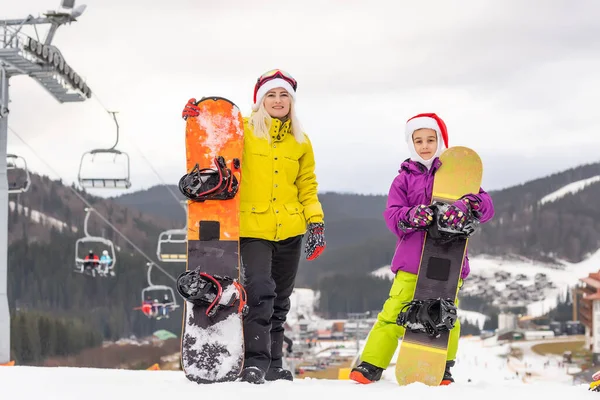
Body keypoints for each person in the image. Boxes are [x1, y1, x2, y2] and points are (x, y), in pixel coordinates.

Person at [181, 69, 326, 384]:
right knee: (260, 291)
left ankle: (274, 363)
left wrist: (315, 221)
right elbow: (216, 145)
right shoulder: (242, 131)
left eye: (283, 95)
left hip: (290, 229)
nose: (277, 100)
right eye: (271, 95)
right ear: (260, 101)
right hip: (252, 228)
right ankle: (255, 362)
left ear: (291, 101)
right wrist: (201, 119)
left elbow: (307, 185)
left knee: (281, 300)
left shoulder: (300, 141)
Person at [349, 113, 495, 385]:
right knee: (394, 311)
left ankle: (443, 367)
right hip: (412, 262)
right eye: (418, 140)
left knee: (446, 314)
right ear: (411, 144)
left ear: (440, 141)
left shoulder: (458, 176)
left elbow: (487, 208)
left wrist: (469, 204)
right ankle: (371, 363)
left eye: (430, 139)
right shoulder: (403, 180)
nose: (425, 145)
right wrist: (412, 215)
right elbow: (392, 216)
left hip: (449, 263)